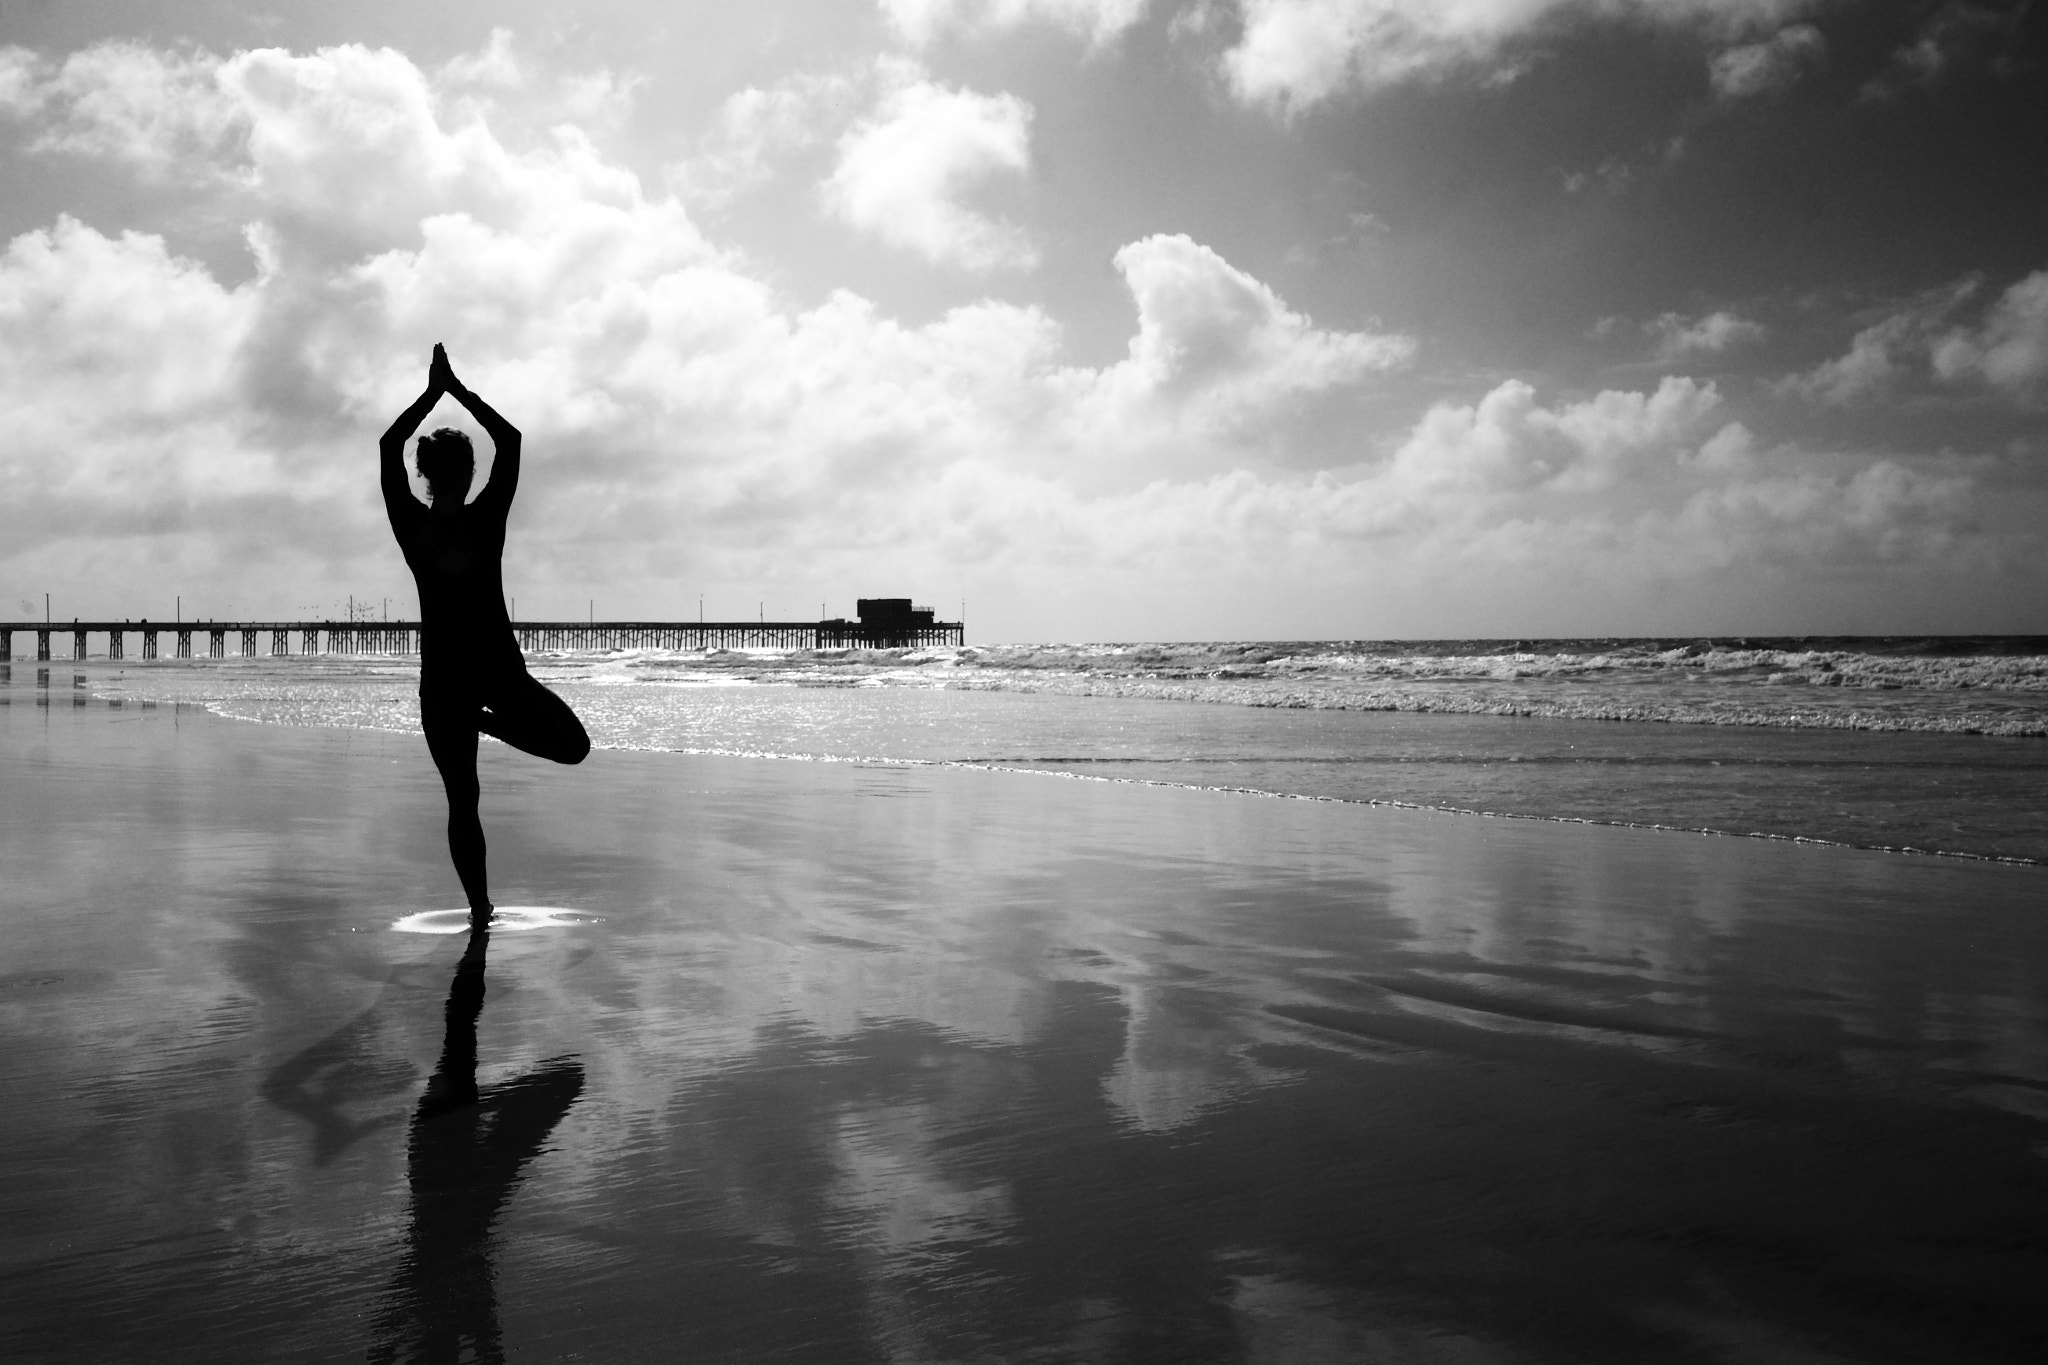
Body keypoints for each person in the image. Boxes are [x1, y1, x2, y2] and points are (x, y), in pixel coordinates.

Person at [382, 344, 589, 923]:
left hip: (448, 684)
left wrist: (431, 393)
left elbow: (386, 447)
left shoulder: (410, 525)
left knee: (463, 803)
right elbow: (513, 440)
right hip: (498, 671)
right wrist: (457, 390)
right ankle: (480, 914)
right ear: (471, 473)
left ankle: (481, 911)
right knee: (572, 748)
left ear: (422, 475)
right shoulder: (488, 517)